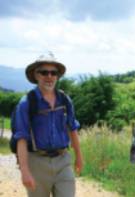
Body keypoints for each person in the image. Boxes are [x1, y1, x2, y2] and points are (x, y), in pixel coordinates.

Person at [13, 52, 83, 197]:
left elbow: (72, 129)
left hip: (63, 160)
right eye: (44, 72)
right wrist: (25, 171)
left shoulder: (64, 100)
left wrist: (79, 156)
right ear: (36, 75)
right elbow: (21, 139)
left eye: (53, 73)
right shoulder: (26, 104)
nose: (49, 76)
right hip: (36, 162)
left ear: (57, 76)